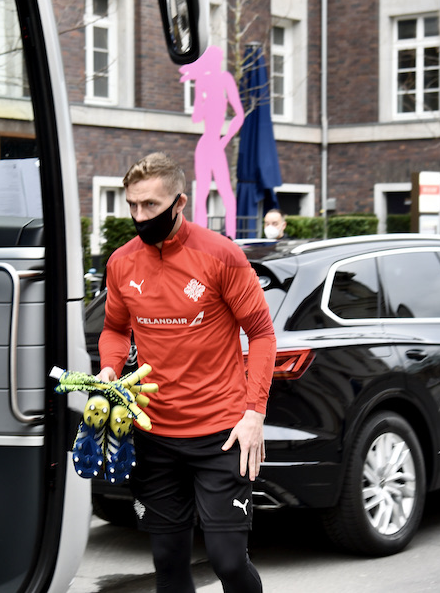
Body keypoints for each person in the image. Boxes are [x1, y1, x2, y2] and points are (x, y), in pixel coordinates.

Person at [98, 152, 275, 593]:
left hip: (221, 433)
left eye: (150, 206)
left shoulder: (221, 255)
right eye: (133, 205)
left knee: (228, 561)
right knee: (168, 562)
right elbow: (115, 330)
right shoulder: (122, 262)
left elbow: (263, 335)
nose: (139, 216)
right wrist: (108, 370)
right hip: (155, 433)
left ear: (179, 203)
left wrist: (254, 414)